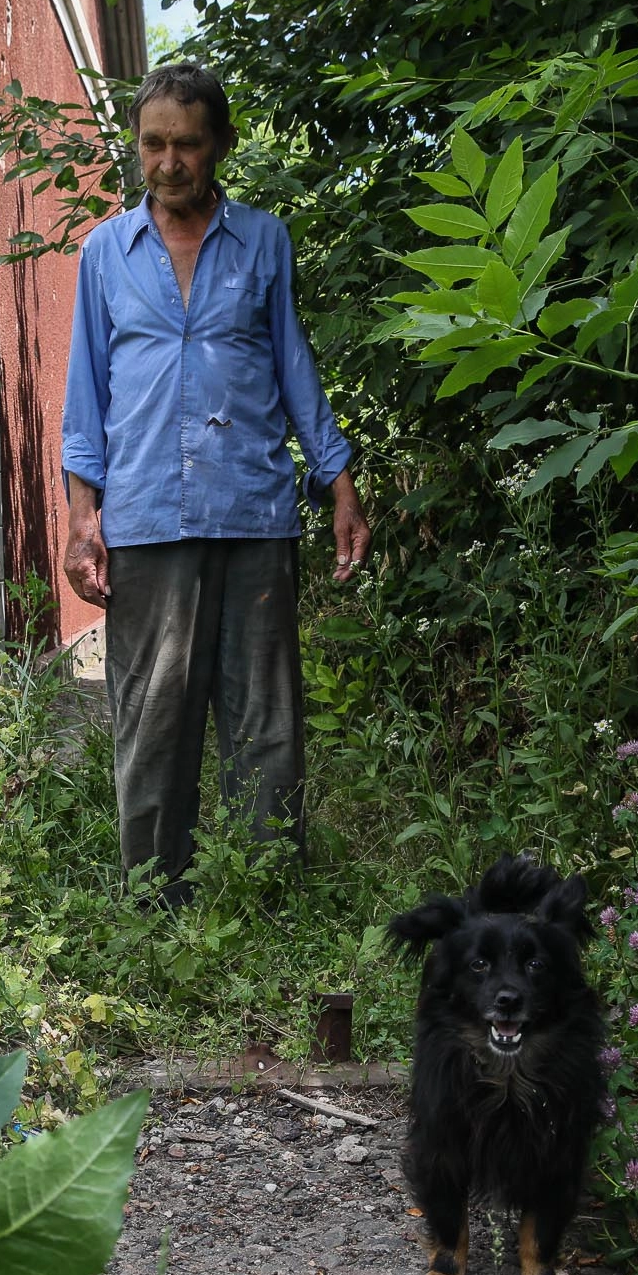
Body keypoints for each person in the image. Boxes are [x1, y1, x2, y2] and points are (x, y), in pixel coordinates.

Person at [60, 62, 369, 907]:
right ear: (137, 146)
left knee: (263, 720)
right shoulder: (104, 256)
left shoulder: (264, 242)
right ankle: (154, 903)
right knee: (153, 720)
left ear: (220, 147)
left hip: (254, 508)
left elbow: (294, 368)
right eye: (153, 143)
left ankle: (266, 896)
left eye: (186, 145)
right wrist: (82, 518)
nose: (168, 162)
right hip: (147, 514)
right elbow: (86, 394)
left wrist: (337, 479)